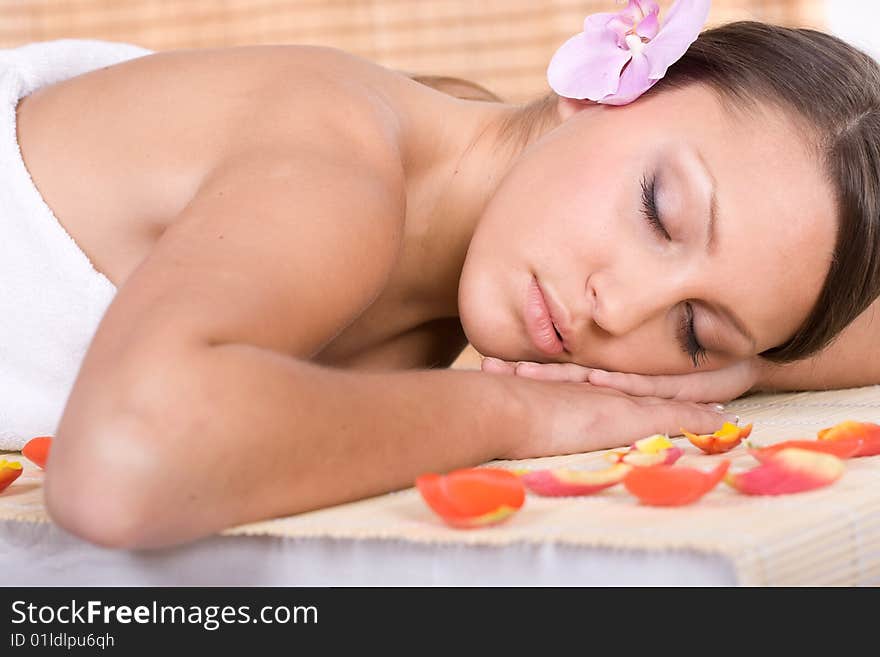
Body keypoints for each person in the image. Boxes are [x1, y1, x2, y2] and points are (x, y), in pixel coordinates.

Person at [3, 3, 878, 549]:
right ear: (607, 84)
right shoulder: (338, 168)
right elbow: (120, 469)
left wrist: (745, 360)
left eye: (692, 325)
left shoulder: (465, 214)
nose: (623, 309)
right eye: (658, 209)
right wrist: (516, 413)